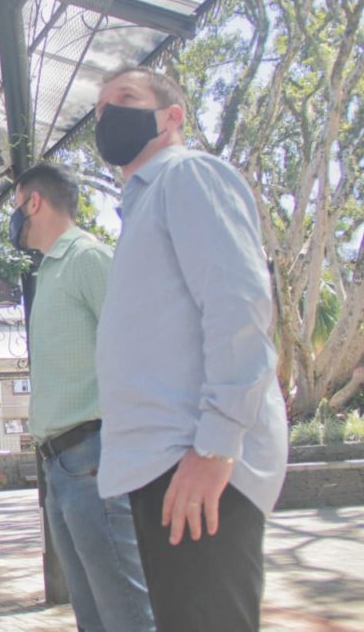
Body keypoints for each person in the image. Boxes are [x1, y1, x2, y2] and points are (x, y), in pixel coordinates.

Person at [93, 67, 288, 631]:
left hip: (195, 461)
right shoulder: (143, 207)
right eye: (100, 110)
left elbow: (238, 306)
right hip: (167, 464)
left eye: (126, 98)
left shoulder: (188, 175)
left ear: (172, 116)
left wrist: (216, 448)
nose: (108, 115)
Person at [10, 162, 154, 631]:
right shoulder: (50, 271)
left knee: (124, 609)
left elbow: (139, 348)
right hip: (61, 465)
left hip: (93, 456)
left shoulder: (88, 258)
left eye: (16, 205)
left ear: (34, 202)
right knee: (92, 612)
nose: (14, 218)